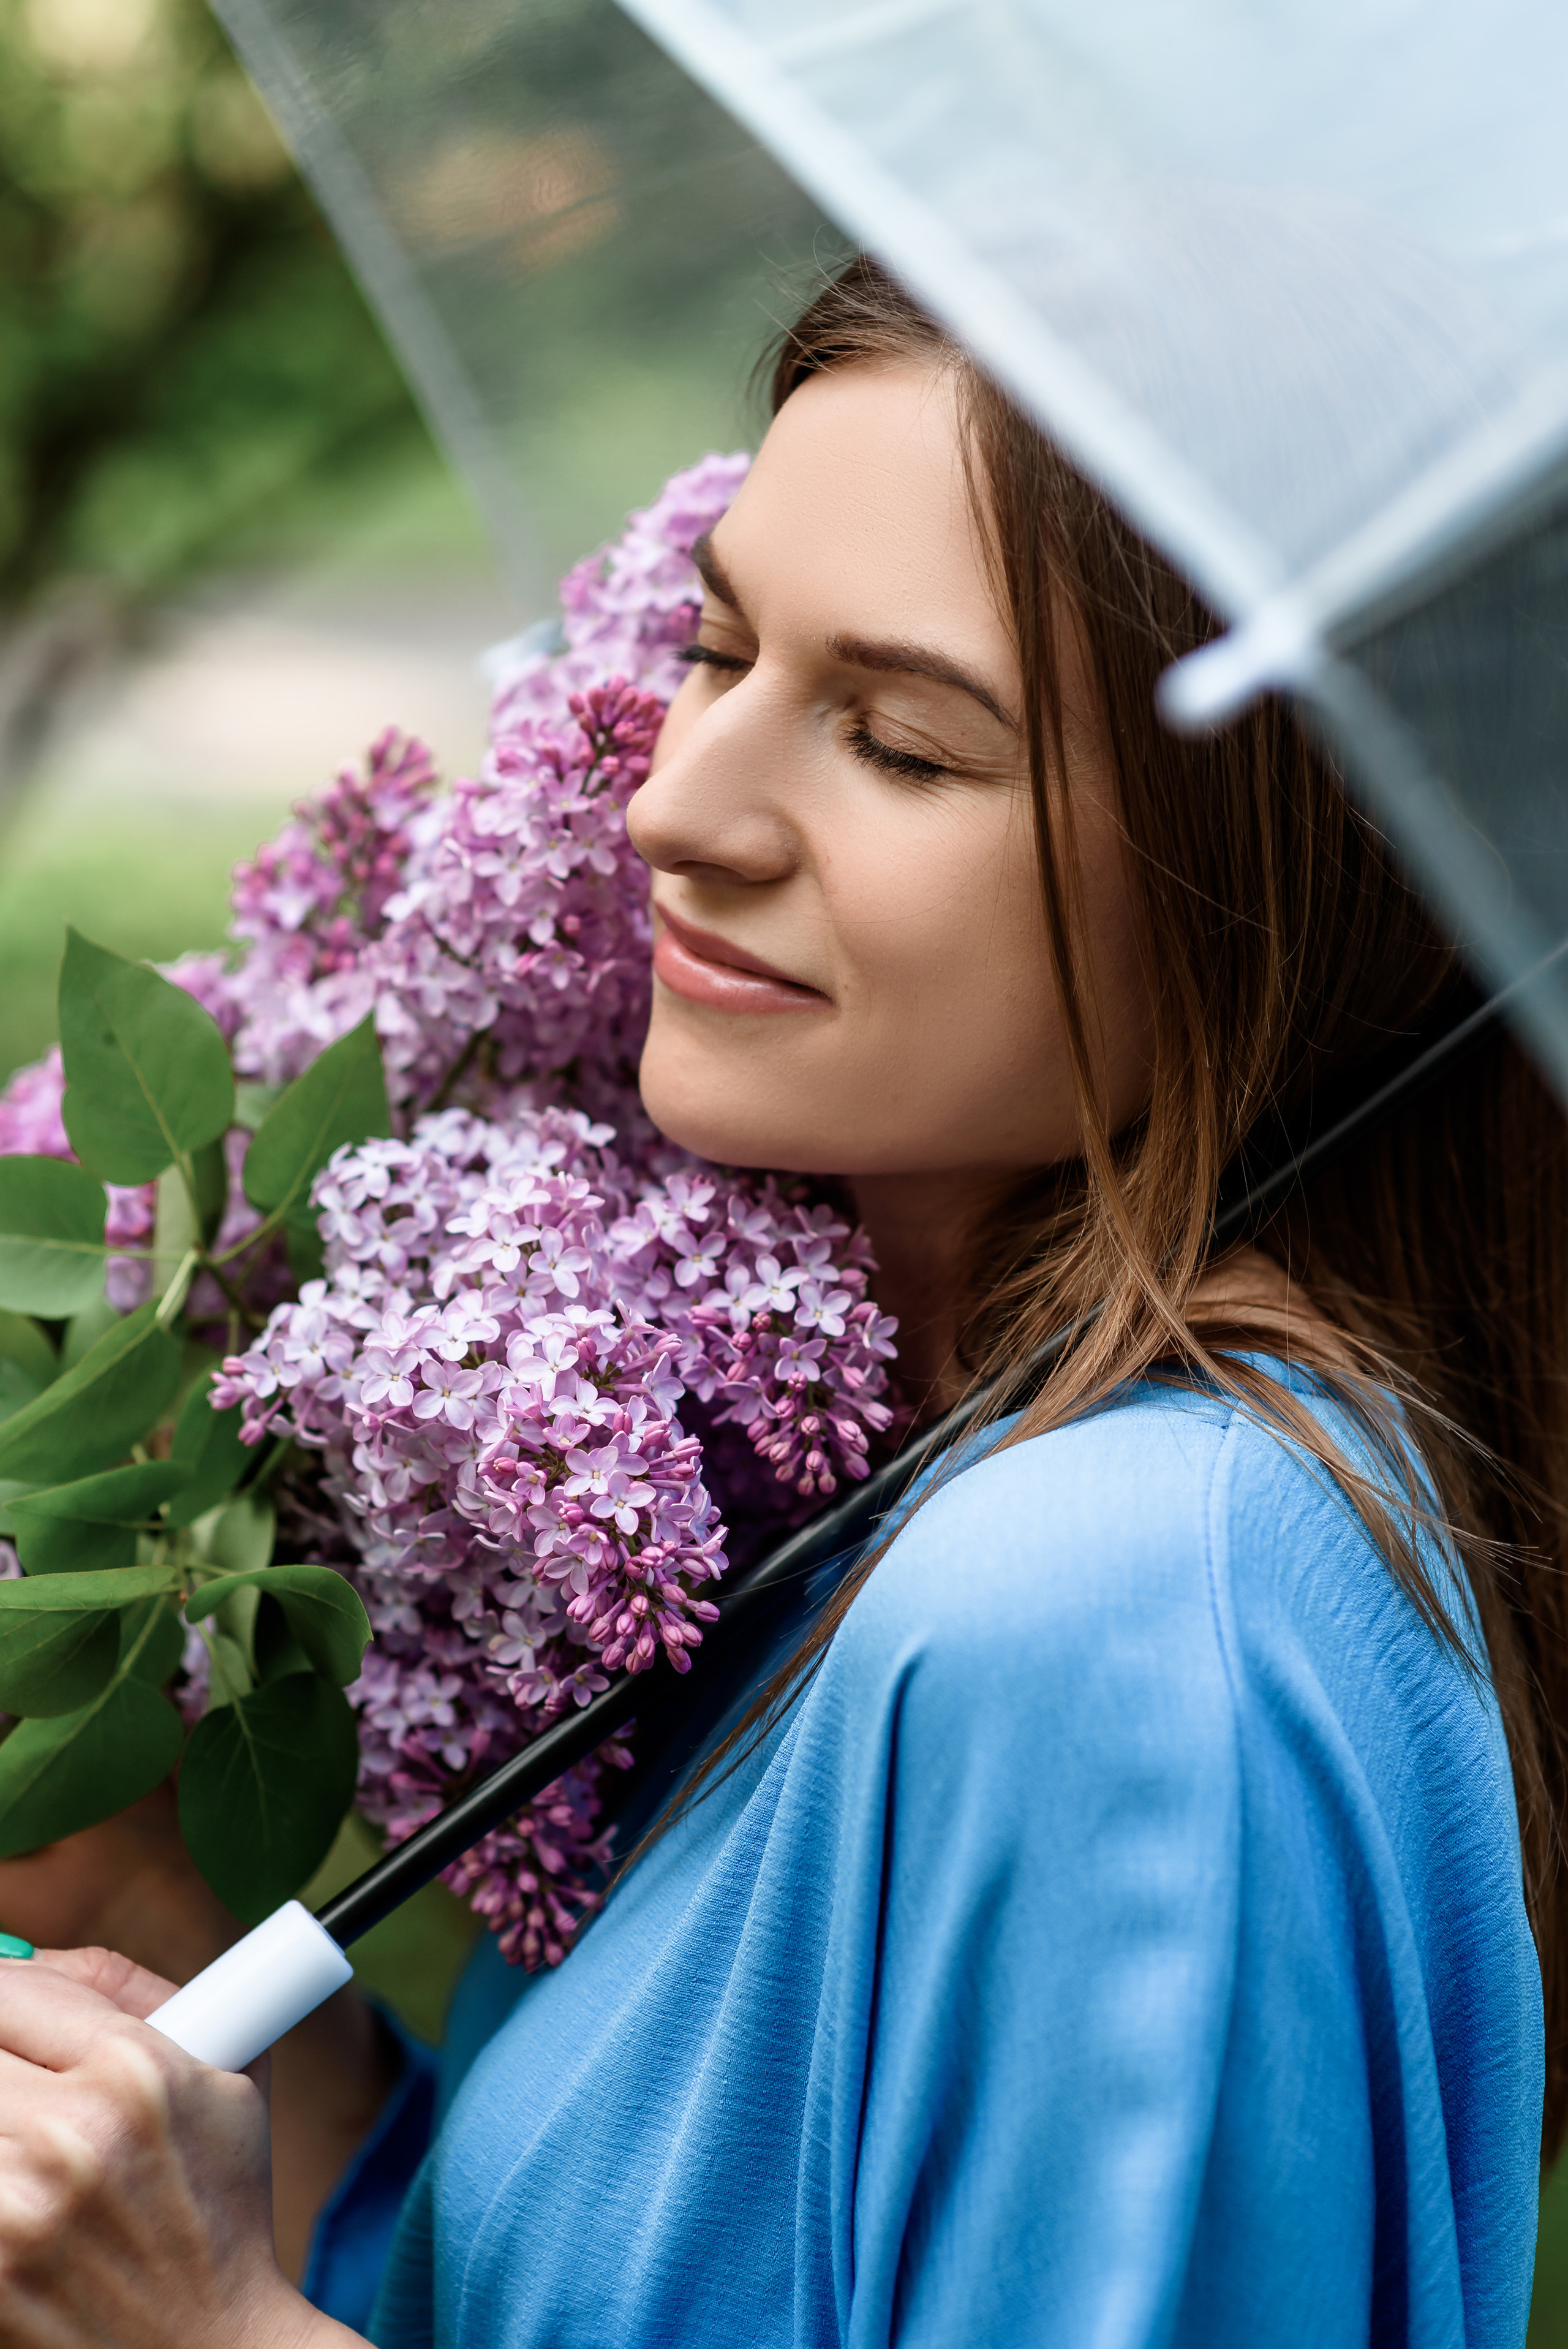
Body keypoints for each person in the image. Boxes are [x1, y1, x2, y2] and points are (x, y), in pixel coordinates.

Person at [0, 256, 1558, 2347]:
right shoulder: (892, 1463)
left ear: (1277, 875)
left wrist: (192, 2332)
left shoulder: (1119, 1610)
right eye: (716, 648)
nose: (674, 807)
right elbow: (576, 2295)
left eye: (902, 744)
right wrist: (142, 1911)